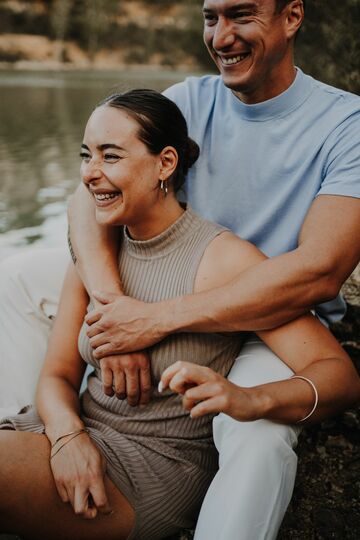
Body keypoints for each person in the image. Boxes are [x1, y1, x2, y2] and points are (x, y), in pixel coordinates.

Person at [0, 0, 360, 538]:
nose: (222, 36)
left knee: (256, 434)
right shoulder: (190, 99)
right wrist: (112, 310)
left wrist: (154, 320)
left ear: (292, 17)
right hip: (161, 267)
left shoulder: (345, 123)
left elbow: (318, 270)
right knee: (16, 277)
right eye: (210, 18)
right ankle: (33, 428)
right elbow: (88, 198)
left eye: (241, 15)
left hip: (270, 307)